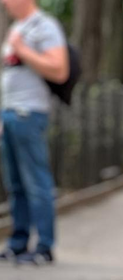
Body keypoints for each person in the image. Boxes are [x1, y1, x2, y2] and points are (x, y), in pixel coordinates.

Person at [0, 0, 67, 265]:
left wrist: (22, 50)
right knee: (15, 184)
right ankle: (18, 243)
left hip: (29, 114)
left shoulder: (45, 26)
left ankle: (44, 246)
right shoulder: (18, 27)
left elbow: (59, 70)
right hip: (10, 114)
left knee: (36, 183)